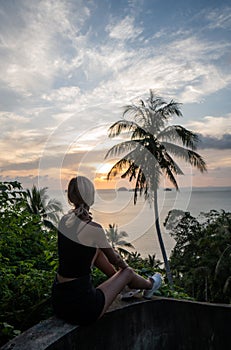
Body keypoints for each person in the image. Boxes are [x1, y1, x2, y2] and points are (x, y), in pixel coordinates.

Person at [51, 176, 162, 326]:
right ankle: (149, 285)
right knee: (127, 272)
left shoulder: (64, 221)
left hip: (59, 301)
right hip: (83, 307)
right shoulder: (94, 229)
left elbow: (79, 255)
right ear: (91, 197)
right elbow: (115, 259)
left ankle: (125, 288)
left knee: (95, 251)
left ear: (71, 197)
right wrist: (126, 273)